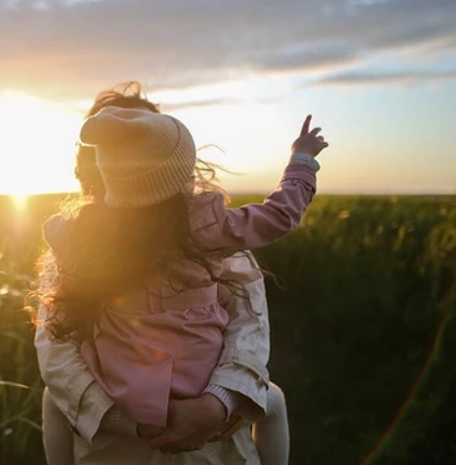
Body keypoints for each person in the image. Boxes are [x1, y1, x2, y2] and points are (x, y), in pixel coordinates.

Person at [34, 83, 327, 464]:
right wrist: (301, 161)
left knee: (51, 400)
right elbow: (280, 215)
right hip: (132, 430)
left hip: (172, 418)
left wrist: (212, 406)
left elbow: (248, 327)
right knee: (272, 399)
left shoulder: (80, 237)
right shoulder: (210, 230)